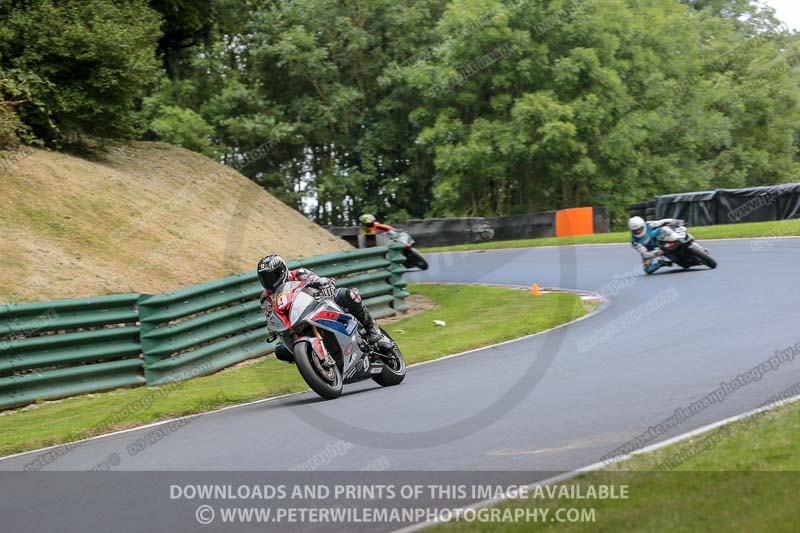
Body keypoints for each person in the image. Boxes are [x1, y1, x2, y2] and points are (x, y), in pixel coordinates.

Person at [256, 254, 384, 362]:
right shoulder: (265, 298)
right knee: (280, 350)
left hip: (319, 304)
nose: (270, 281)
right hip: (295, 322)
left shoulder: (299, 274)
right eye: (265, 278)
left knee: (348, 295)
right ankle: (311, 361)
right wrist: (272, 328)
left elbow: (317, 280)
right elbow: (271, 316)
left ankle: (371, 328)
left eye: (272, 276)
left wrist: (325, 285)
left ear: (282, 271)